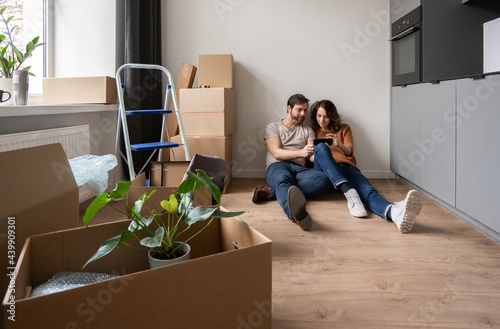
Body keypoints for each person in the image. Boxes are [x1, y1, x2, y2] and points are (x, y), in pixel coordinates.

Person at [309, 99, 422, 233]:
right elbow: (310, 158)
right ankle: (349, 192)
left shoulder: (344, 128)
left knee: (368, 191)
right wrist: (323, 151)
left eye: (326, 116)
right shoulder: (311, 131)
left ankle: (394, 213)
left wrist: (337, 144)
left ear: (332, 116)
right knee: (321, 147)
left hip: (346, 168)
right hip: (325, 172)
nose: (322, 120)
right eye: (319, 116)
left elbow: (350, 150)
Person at [251, 94, 332, 230]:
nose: (303, 114)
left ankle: (271, 191)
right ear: (289, 108)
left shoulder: (308, 130)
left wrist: (320, 153)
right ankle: (296, 215)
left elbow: (310, 157)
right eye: (299, 110)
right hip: (277, 166)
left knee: (324, 179)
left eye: (305, 110)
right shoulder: (273, 127)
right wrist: (301, 152)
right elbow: (276, 153)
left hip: (300, 168)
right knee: (283, 179)